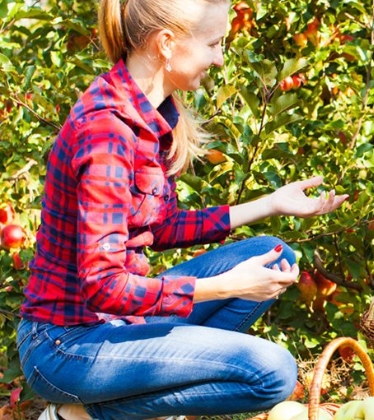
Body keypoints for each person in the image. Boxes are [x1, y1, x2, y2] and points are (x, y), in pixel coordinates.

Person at [16, 0, 348, 419]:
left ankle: (154, 387)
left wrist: (270, 204)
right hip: (67, 345)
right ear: (167, 43)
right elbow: (104, 286)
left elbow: (162, 226)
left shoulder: (148, 114)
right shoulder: (107, 132)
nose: (220, 57)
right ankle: (79, 416)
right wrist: (228, 286)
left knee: (276, 255)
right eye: (213, 43)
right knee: (272, 373)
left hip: (119, 324)